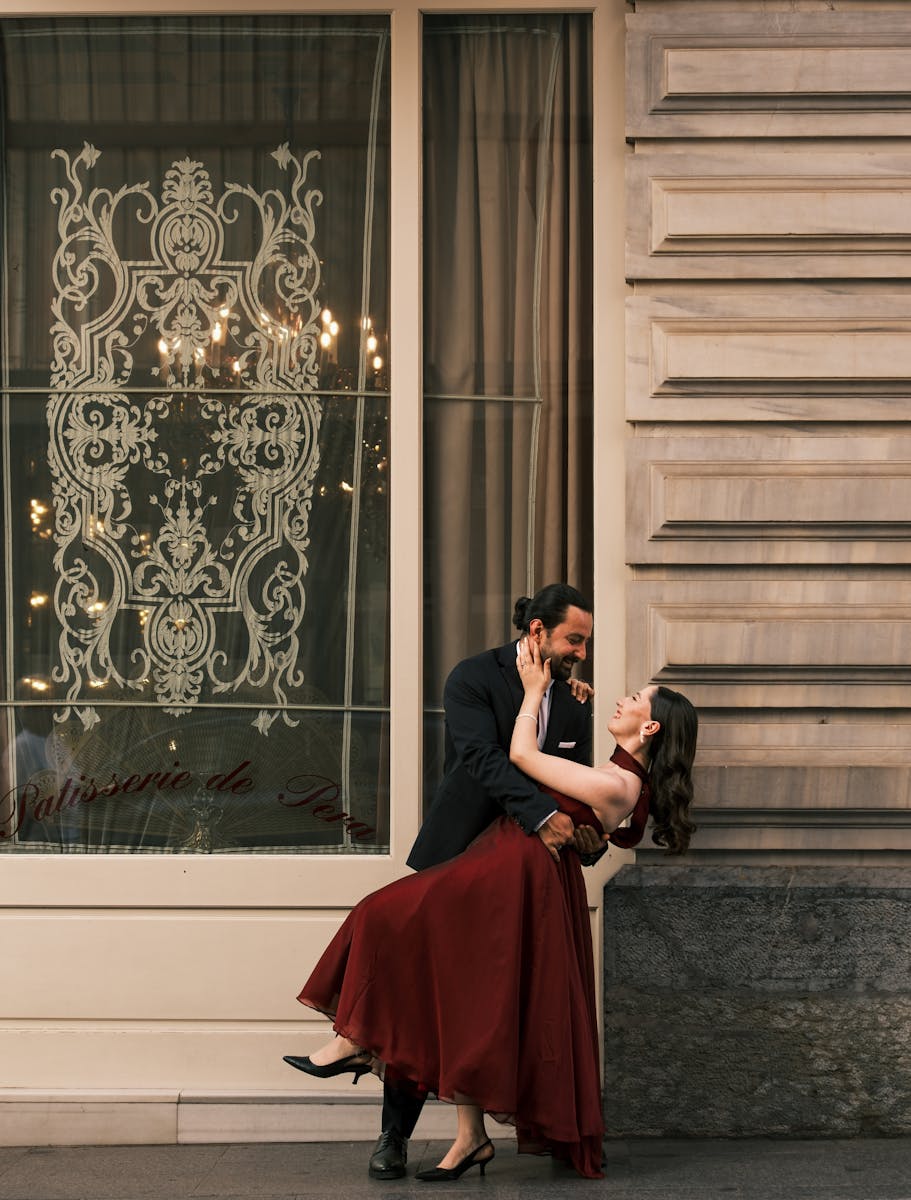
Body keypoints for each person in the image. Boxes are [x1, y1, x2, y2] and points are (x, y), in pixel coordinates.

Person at [283, 619, 699, 1181]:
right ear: (539, 630)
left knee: (380, 916)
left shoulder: (619, 781)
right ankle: (464, 1133)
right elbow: (580, 816)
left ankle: (355, 1042)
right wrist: (546, 697)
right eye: (576, 640)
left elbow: (523, 758)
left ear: (649, 726)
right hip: (496, 864)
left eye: (633, 699)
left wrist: (533, 694)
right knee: (464, 994)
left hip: (511, 877)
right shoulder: (606, 766)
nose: (615, 693)